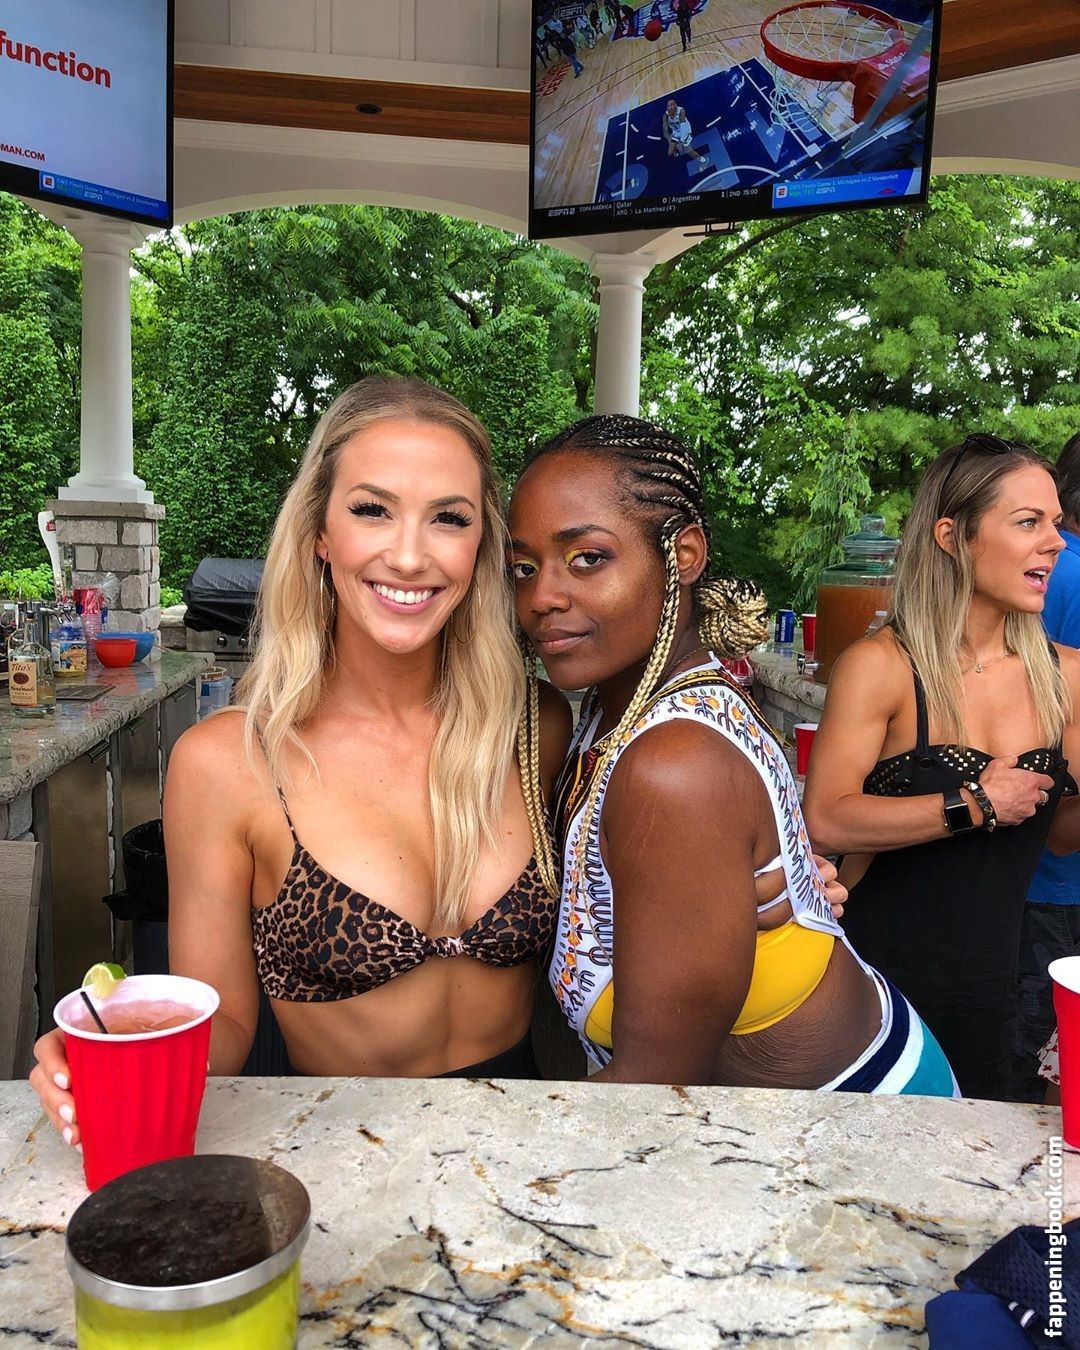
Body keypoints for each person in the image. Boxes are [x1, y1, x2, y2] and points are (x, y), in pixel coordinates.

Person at [29, 376, 570, 1150]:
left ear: (481, 545)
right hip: (342, 1161)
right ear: (320, 532)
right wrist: (123, 1042)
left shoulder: (533, 727)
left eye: (448, 518)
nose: (408, 555)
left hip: (524, 1154)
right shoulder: (229, 763)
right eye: (372, 509)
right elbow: (222, 1028)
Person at [508, 413, 958, 1093]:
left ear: (684, 555)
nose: (542, 596)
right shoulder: (619, 706)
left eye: (588, 558)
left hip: (859, 1125)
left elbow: (655, 1085)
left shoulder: (674, 764)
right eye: (523, 568)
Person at [803, 433, 1080, 1101]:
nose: (1055, 543)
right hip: (876, 987)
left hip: (999, 990)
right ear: (952, 536)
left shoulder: (1067, 677)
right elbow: (827, 818)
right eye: (1028, 523)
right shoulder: (882, 665)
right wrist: (974, 804)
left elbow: (1063, 837)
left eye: (1054, 523)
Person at [1014, 431, 1080, 1099]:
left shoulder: (1056, 573)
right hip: (1054, 887)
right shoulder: (1072, 579)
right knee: (1036, 1083)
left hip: (1027, 873)